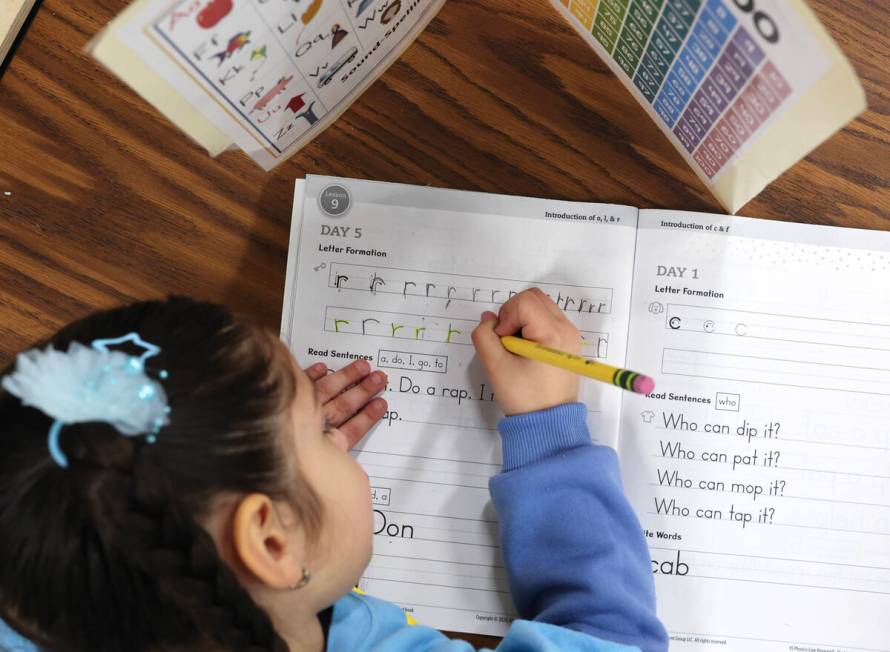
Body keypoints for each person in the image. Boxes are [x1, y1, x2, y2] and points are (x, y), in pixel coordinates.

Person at [0, 289, 668, 651]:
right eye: (320, 430)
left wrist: (287, 468)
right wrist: (550, 437)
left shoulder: (37, 581)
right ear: (269, 542)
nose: (329, 418)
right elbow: (616, 641)